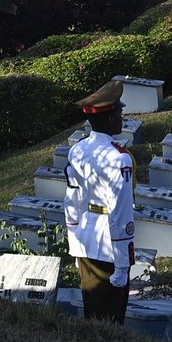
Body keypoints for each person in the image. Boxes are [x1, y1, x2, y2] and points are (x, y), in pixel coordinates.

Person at [63, 79, 135, 324]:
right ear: (111, 117)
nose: (122, 118)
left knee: (92, 313)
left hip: (85, 235)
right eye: (120, 113)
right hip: (109, 244)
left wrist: (74, 241)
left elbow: (72, 199)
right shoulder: (119, 159)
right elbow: (120, 212)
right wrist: (123, 262)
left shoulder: (78, 150)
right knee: (112, 319)